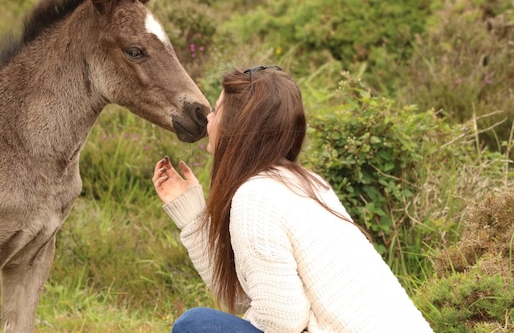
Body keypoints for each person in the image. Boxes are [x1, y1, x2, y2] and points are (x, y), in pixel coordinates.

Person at [152, 65, 434, 333]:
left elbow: (282, 321)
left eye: (218, 110)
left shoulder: (255, 196)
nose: (209, 118)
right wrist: (191, 213)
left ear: (237, 127)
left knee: (196, 325)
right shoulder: (305, 183)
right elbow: (250, 295)